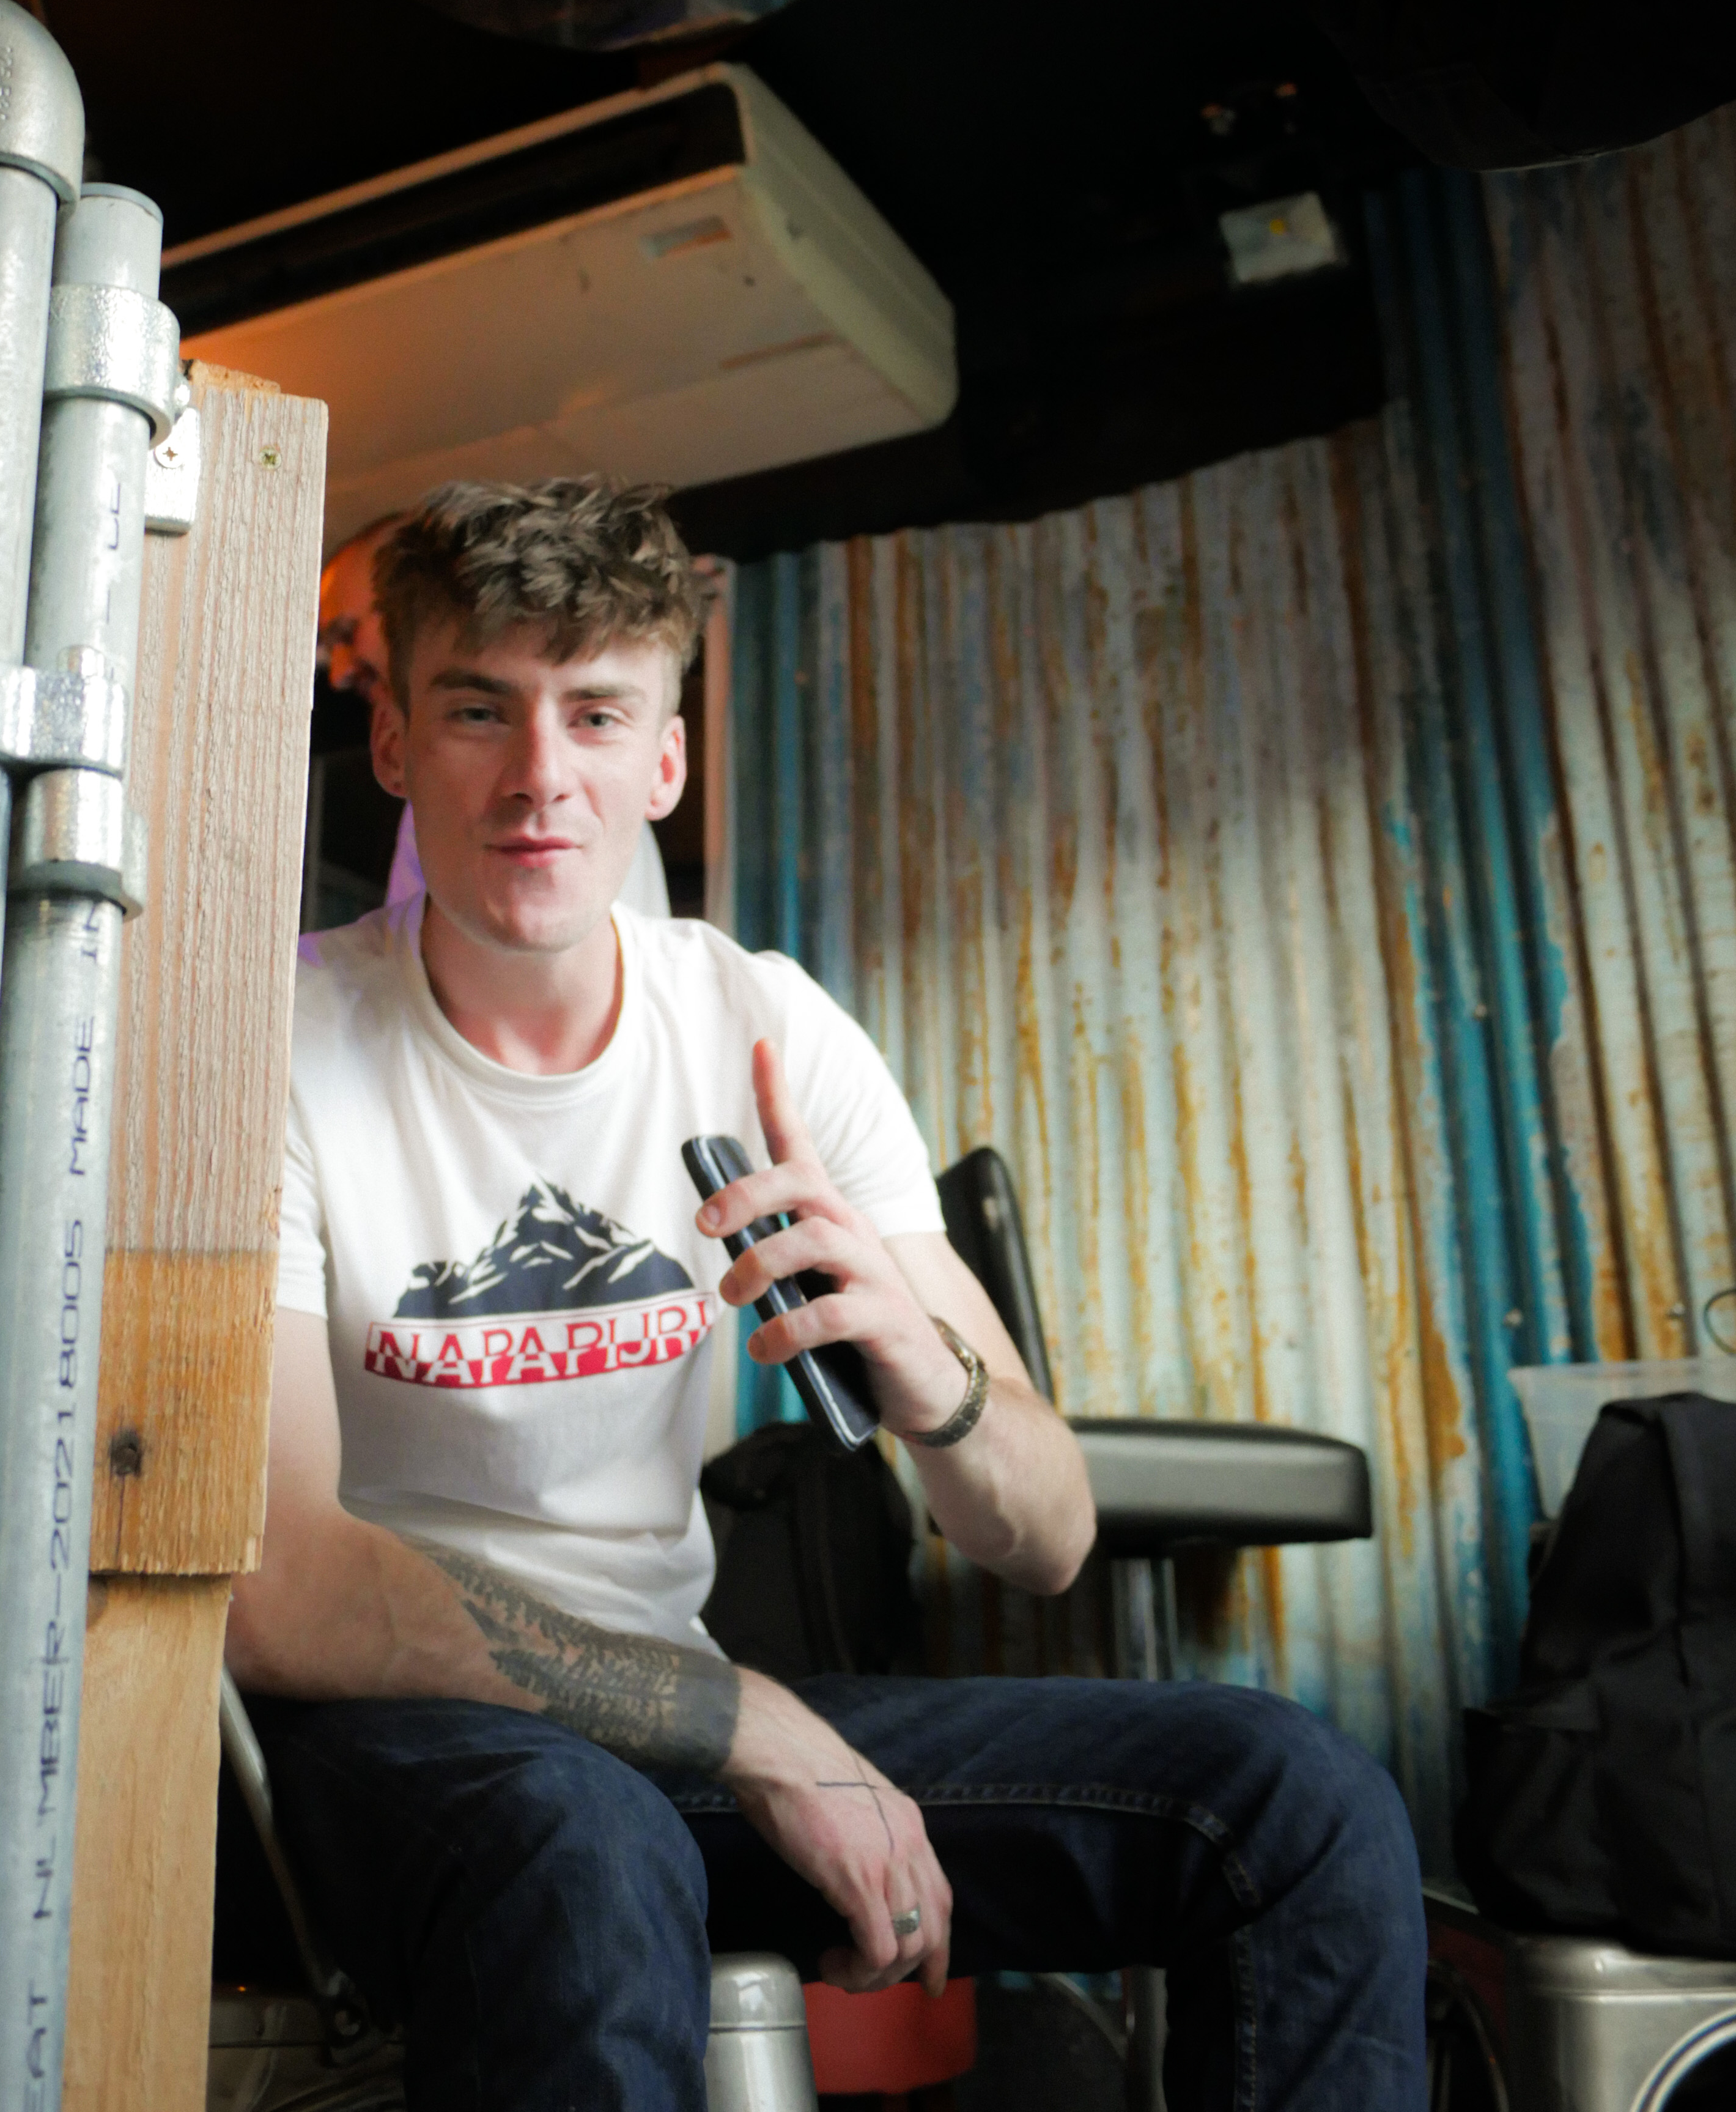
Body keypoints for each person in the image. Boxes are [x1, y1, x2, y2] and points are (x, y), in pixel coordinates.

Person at [234, 477, 1427, 2110]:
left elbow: (1045, 1535)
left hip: (677, 1729)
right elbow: (285, 1588)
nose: (539, 776)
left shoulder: (765, 1028)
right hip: (402, 1741)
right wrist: (746, 1722)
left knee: (1292, 1802)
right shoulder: (281, 1048)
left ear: (665, 759)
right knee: (584, 1850)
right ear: (392, 743)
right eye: (478, 709)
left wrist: (933, 1380)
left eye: (596, 715)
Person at [319, 508, 671, 919]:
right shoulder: (438, 788)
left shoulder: (576, 811)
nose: (339, 674)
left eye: (346, 633)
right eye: (477, 716)